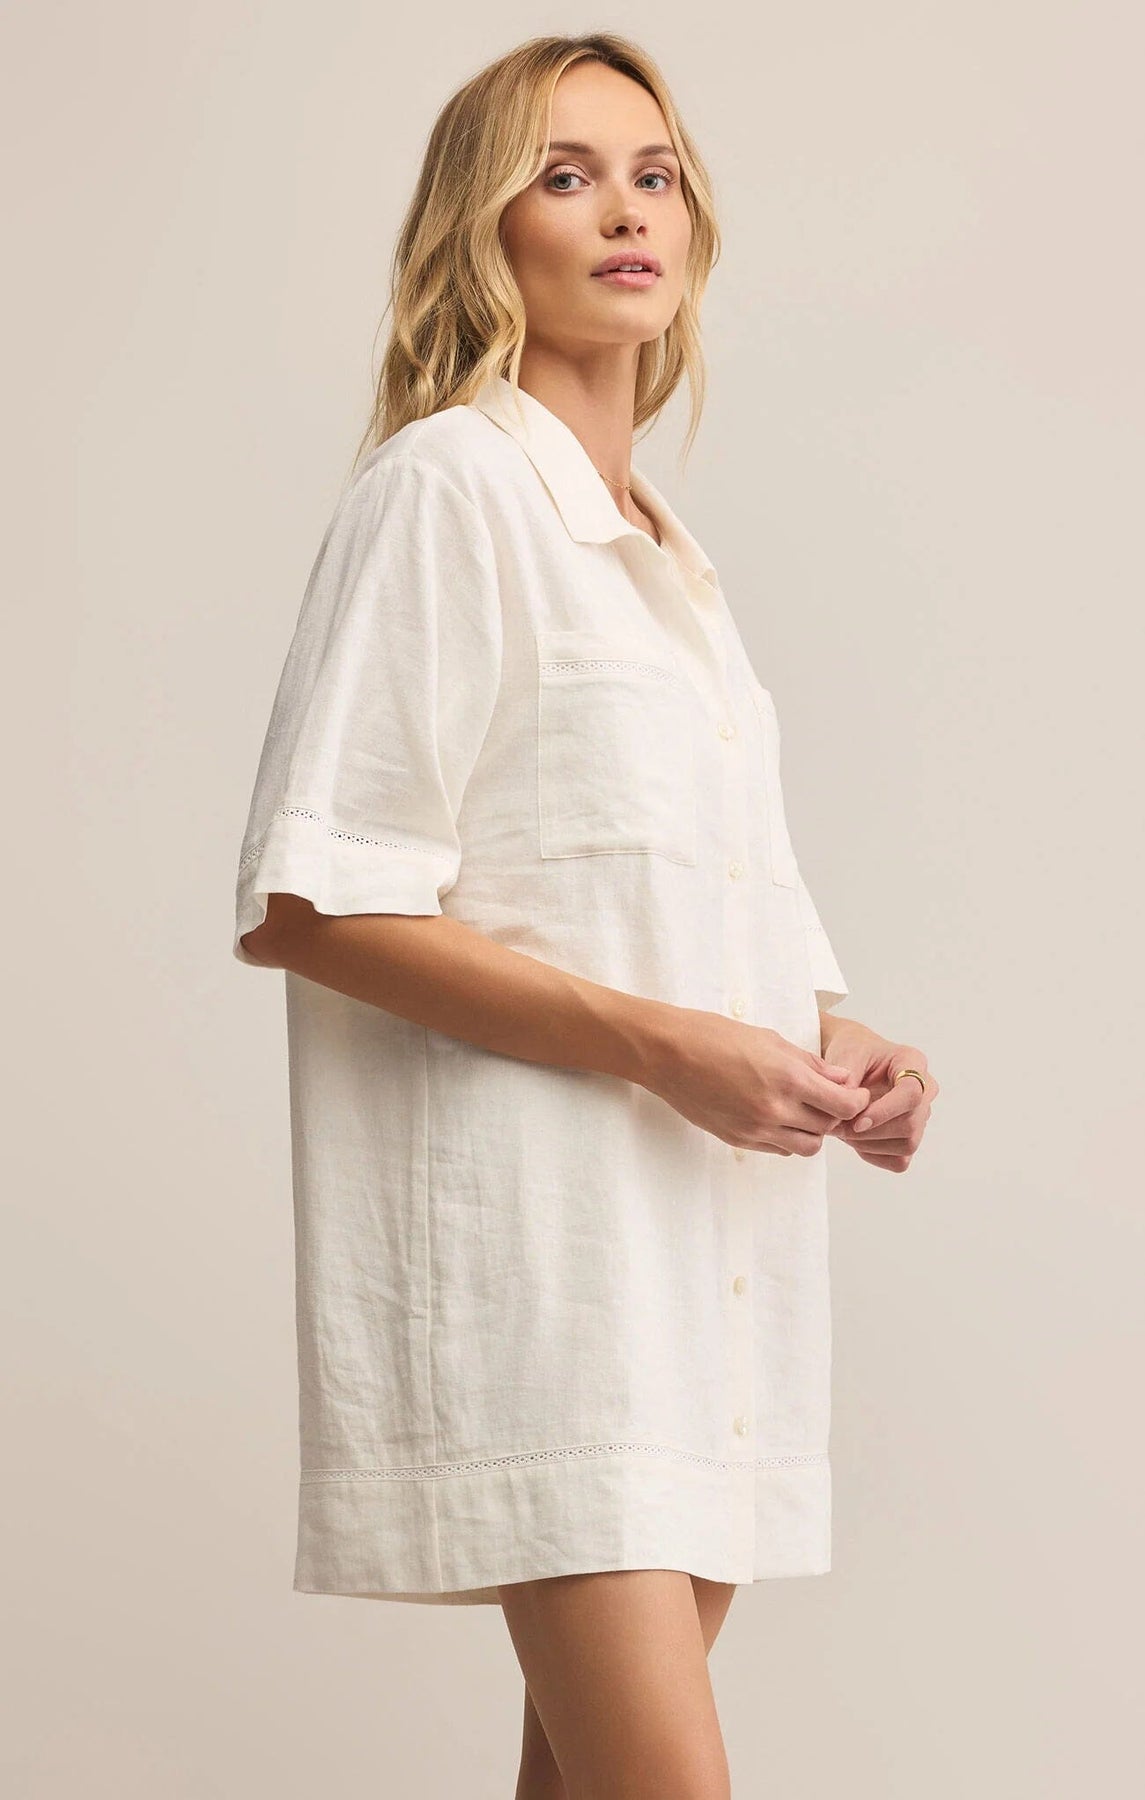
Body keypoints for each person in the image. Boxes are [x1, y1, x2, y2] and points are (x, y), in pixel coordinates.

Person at [231, 31, 939, 1800]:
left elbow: (685, 894)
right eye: (564, 176)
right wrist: (660, 1047)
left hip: (704, 1278)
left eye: (653, 173)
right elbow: (313, 902)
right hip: (554, 1288)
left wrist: (842, 1039)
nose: (626, 210)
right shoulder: (447, 487)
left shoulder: (665, 555)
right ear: (486, 230)